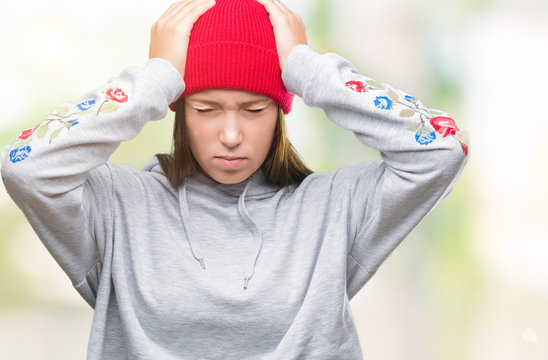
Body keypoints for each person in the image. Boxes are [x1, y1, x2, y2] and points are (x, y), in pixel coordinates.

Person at [1, 0, 469, 358]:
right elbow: (25, 164)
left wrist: (309, 69)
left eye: (254, 109)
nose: (230, 135)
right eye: (205, 110)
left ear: (281, 112)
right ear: (179, 110)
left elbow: (441, 149)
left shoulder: (333, 208)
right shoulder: (117, 208)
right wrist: (155, 80)